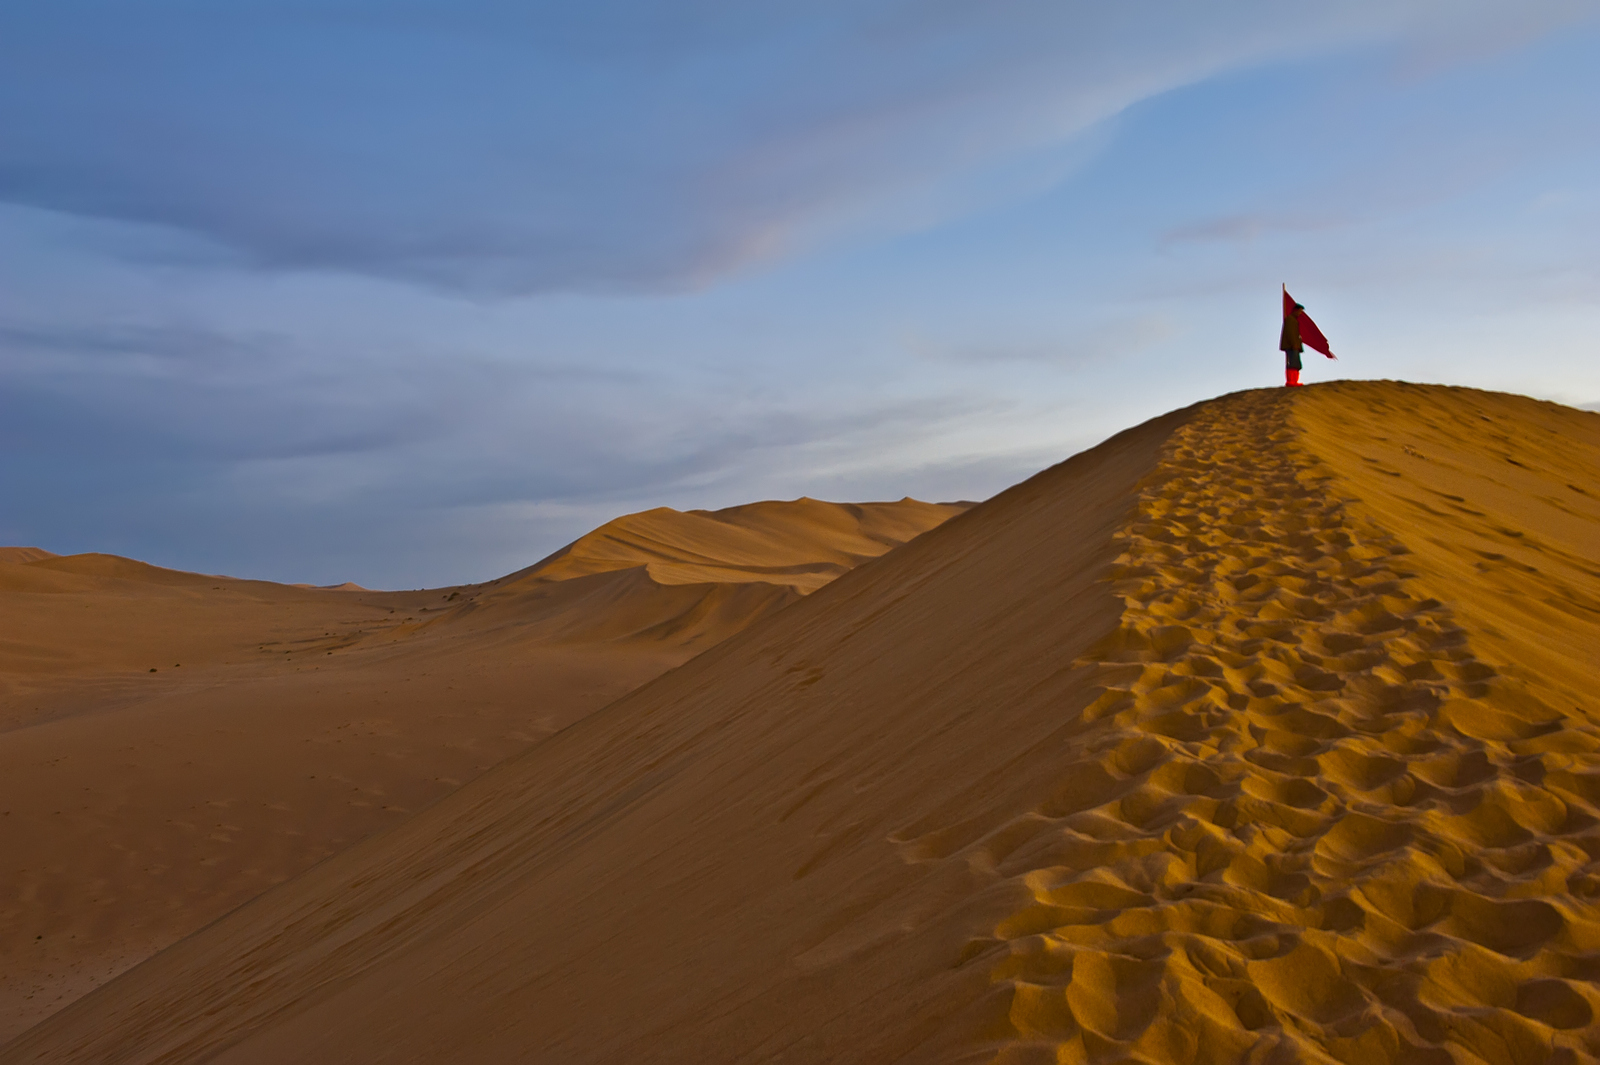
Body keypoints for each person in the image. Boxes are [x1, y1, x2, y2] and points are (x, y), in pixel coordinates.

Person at [1280, 302, 1306, 387]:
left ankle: (1294, 381)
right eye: (1299, 311)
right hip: (1291, 346)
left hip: (1295, 345)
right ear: (1295, 310)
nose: (1300, 313)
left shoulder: (1293, 320)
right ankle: (1291, 381)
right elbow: (1291, 333)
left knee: (1296, 364)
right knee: (1293, 363)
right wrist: (1294, 343)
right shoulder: (1290, 320)